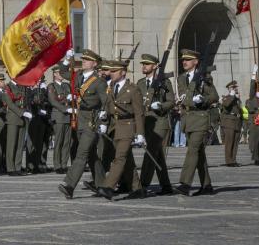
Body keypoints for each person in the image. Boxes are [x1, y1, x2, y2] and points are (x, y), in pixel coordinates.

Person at [57, 49, 107, 199]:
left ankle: (69, 186)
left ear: (94, 63)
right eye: (83, 58)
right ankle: (102, 186)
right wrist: (67, 58)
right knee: (92, 156)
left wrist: (103, 120)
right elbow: (63, 72)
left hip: (92, 121)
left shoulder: (99, 82)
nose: (83, 61)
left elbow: (106, 103)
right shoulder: (78, 76)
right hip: (79, 120)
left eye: (87, 59)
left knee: (81, 153)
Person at [96, 60, 146, 200]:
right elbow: (107, 105)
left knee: (119, 158)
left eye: (114, 71)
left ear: (123, 72)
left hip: (128, 126)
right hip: (114, 127)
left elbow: (139, 113)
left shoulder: (133, 89)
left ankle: (108, 186)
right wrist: (104, 121)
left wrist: (140, 133)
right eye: (110, 71)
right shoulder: (111, 86)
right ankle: (137, 189)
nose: (111, 73)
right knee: (127, 159)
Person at [172, 49, 218, 196]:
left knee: (192, 150)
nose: (184, 62)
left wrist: (203, 100)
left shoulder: (204, 77)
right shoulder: (181, 78)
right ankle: (207, 185)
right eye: (183, 60)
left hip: (200, 118)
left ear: (196, 62)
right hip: (187, 119)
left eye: (188, 59)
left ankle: (185, 183)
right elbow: (183, 96)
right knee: (199, 154)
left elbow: (214, 96)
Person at [137, 54, 173, 195]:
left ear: (154, 66)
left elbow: (171, 101)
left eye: (147, 64)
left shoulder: (164, 82)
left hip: (160, 121)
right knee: (157, 155)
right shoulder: (140, 83)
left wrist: (161, 106)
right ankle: (166, 186)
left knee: (150, 153)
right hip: (147, 122)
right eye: (143, 64)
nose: (144, 66)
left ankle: (143, 185)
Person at [47, 66, 72, 174]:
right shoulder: (51, 86)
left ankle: (64, 164)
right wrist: (67, 108)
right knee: (59, 142)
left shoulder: (66, 85)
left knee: (67, 142)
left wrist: (72, 99)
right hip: (59, 116)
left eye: (62, 73)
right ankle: (57, 165)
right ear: (55, 74)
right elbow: (53, 102)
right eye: (59, 73)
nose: (61, 75)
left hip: (68, 117)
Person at [220, 80, 242, 167]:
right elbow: (226, 104)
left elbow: (240, 110)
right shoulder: (226, 97)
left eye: (236, 87)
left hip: (236, 121)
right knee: (229, 142)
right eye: (233, 87)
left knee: (235, 142)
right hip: (229, 122)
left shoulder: (236, 98)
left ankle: (233, 160)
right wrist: (232, 96)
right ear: (229, 89)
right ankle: (229, 161)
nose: (235, 89)